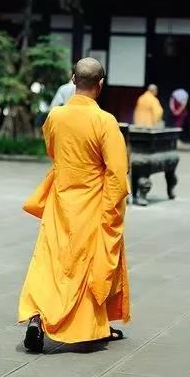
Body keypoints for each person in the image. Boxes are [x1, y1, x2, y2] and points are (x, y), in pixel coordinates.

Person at [19, 57, 131, 353]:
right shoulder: (105, 121)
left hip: (60, 202)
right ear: (101, 84)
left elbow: (53, 150)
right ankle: (88, 326)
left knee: (49, 262)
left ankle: (37, 317)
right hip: (91, 205)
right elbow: (118, 173)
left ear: (72, 79)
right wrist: (111, 212)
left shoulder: (55, 116)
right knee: (86, 266)